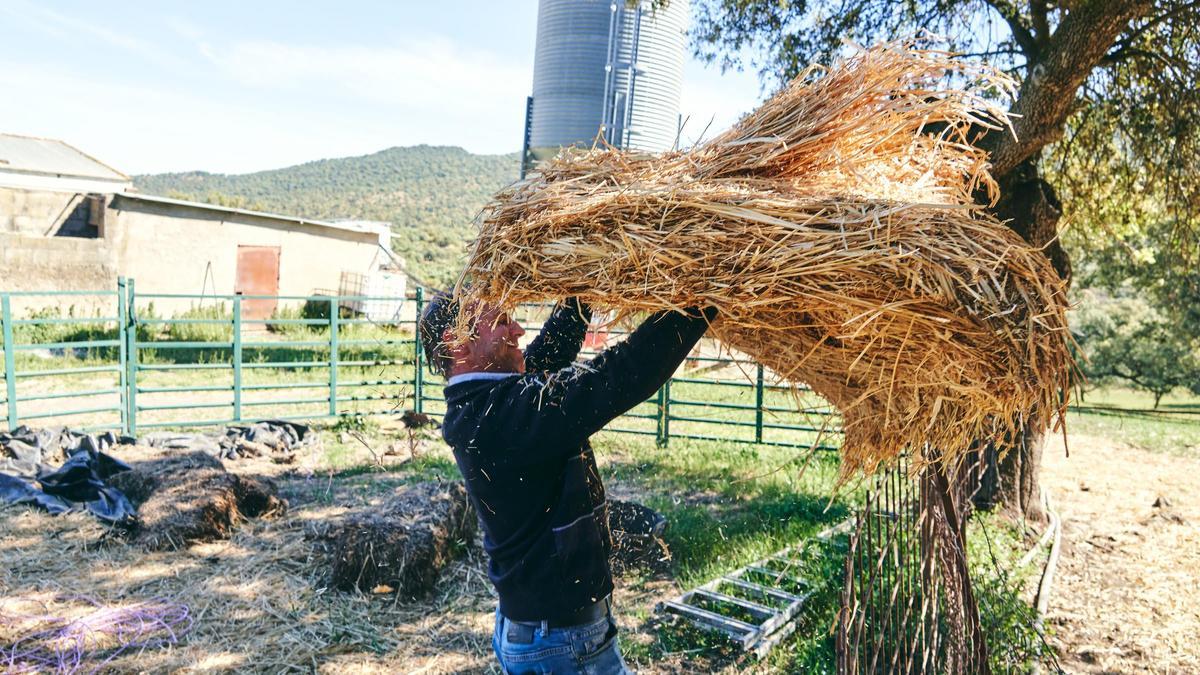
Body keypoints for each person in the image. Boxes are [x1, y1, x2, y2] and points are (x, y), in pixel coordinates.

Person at [420, 295, 715, 674]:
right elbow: (621, 375)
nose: (518, 330)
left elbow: (554, 347)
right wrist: (703, 297)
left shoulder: (486, 404)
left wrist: (581, 282)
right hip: (562, 644)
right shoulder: (500, 415)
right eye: (503, 323)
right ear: (457, 341)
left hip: (547, 633)